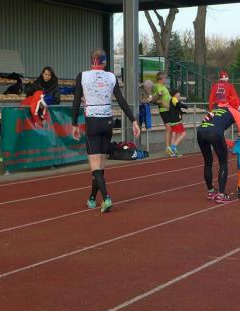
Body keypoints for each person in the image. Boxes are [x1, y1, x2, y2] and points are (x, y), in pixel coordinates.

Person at [71, 48, 139, 212]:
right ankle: (92, 198)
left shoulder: (82, 76)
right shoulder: (111, 77)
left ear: (91, 61)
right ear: (105, 62)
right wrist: (134, 120)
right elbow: (121, 100)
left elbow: (76, 101)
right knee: (100, 166)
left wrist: (74, 124)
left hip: (93, 122)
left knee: (95, 167)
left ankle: (106, 198)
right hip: (107, 122)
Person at [198, 89, 240, 203]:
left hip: (200, 132)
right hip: (215, 133)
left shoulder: (216, 109)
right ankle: (221, 195)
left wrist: (224, 141)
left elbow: (210, 126)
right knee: (223, 163)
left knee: (208, 162)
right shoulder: (235, 112)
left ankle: (211, 191)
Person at [152, 72, 173, 156]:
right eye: (165, 78)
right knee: (169, 128)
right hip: (164, 110)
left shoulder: (163, 86)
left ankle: (170, 146)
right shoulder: (157, 87)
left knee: (171, 128)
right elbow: (154, 100)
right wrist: (163, 103)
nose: (166, 80)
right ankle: (168, 147)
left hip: (169, 109)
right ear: (161, 78)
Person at [166, 89, 187, 157]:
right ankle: (173, 147)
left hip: (173, 120)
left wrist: (181, 112)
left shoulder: (172, 99)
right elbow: (178, 105)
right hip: (176, 121)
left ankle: (172, 151)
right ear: (175, 94)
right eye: (178, 93)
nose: (179, 94)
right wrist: (184, 106)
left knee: (174, 135)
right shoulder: (174, 99)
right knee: (183, 133)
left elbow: (176, 108)